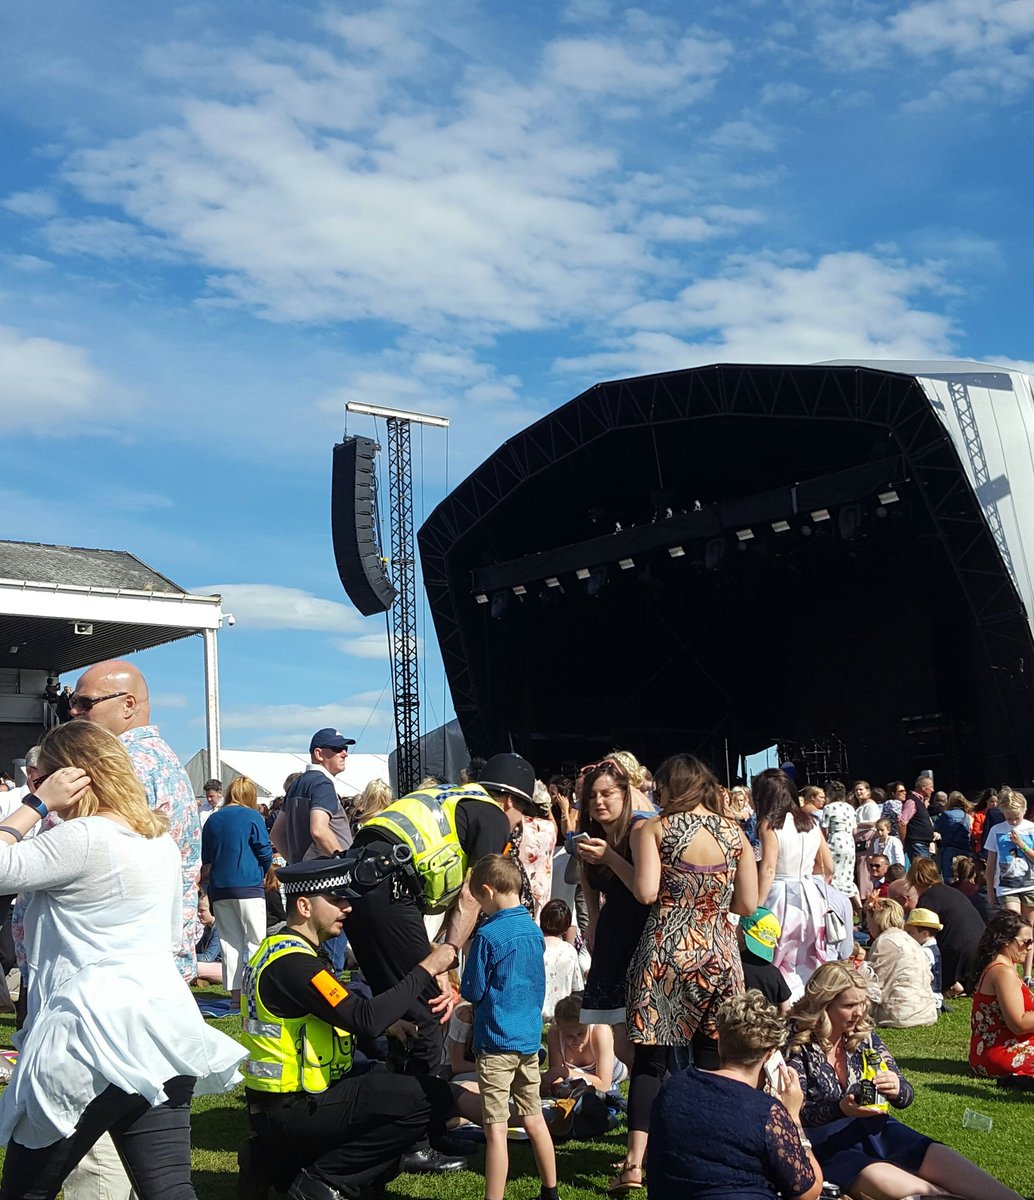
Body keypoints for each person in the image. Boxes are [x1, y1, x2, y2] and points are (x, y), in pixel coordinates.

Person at [0, 721, 244, 1200]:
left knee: (26, 1191)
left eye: (41, 777)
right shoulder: (158, 842)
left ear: (67, 777)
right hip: (161, 1028)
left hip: (86, 1037)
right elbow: (174, 934)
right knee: (171, 1189)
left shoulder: (83, 836)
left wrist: (33, 806)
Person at [341, 753, 534, 1172]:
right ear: (509, 801)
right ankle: (413, 1140)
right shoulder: (493, 817)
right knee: (429, 1017)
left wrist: (441, 964)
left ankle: (406, 1122)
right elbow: (472, 895)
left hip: (366, 884)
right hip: (388, 891)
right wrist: (445, 960)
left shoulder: (455, 800)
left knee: (400, 1013)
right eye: (523, 813)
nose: (518, 826)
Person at [237, 857, 463, 1200]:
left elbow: (333, 1017)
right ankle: (325, 1181)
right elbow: (364, 1017)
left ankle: (280, 1164)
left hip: (280, 1106)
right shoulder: (296, 964)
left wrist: (390, 1026)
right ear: (304, 906)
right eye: (337, 900)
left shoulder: (283, 951)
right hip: (295, 1108)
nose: (347, 907)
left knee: (387, 1083)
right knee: (426, 1097)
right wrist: (427, 968)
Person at [65, 659, 205, 1200]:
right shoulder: (159, 760)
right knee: (153, 1155)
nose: (72, 713)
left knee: (91, 1149)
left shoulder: (120, 763)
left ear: (128, 705)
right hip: (148, 976)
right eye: (71, 703)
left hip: (106, 980)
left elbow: (69, 855)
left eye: (84, 704)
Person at [621, 753, 758, 1194]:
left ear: (670, 785)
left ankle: (635, 1165)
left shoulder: (654, 829)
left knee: (651, 1057)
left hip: (667, 948)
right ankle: (707, 1151)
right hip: (718, 951)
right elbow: (748, 906)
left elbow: (645, 892)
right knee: (713, 1056)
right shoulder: (736, 833)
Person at [786, 961, 1022, 1200]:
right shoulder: (798, 1044)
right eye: (849, 1005)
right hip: (830, 1147)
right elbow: (793, 1113)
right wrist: (840, 1108)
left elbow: (906, 1094)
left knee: (994, 1192)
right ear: (824, 1005)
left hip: (879, 1131)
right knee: (934, 1197)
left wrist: (897, 1088)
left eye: (862, 1003)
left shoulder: (863, 1034)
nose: (859, 1012)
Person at [648, 991, 822, 1200]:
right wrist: (794, 1118)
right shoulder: (767, 1112)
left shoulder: (674, 1087)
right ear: (769, 1054)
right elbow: (807, 1192)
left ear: (720, 1040)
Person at [460, 855, 557, 1200]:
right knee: (533, 1117)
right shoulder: (534, 931)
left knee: (496, 1128)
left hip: (496, 1040)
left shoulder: (488, 935)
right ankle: (550, 1190)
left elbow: (472, 988)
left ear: (487, 891)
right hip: (528, 1039)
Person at [574, 758, 652, 1070]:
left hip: (641, 932)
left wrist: (609, 857)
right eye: (592, 796)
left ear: (625, 794)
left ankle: (653, 1097)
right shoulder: (591, 833)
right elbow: (587, 877)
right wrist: (593, 918)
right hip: (612, 931)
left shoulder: (639, 830)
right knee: (621, 1038)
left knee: (639, 1036)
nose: (598, 801)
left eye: (607, 794)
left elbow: (644, 890)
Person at [271, 728, 356, 975]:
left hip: (305, 881)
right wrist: (342, 864)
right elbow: (319, 829)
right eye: (337, 748)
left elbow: (275, 833)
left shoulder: (298, 783)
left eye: (345, 748)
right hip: (328, 882)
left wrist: (298, 863)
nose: (344, 753)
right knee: (331, 952)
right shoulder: (322, 783)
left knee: (310, 948)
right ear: (319, 754)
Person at [756, 768, 833, 1000]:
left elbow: (769, 868)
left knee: (778, 952)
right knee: (807, 953)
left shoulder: (769, 824)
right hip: (809, 893)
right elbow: (828, 866)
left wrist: (756, 908)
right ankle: (808, 999)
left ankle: (784, 1000)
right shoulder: (810, 821)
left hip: (780, 893)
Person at [200, 775, 273, 1004]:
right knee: (255, 941)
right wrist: (264, 872)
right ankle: (254, 994)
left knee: (229, 942)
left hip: (220, 887)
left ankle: (234, 998)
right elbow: (264, 851)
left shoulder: (213, 819)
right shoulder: (253, 816)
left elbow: (207, 858)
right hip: (248, 886)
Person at [969, 909, 1034, 1082]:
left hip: (986, 1052)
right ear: (1006, 942)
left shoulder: (996, 966)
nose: (1030, 947)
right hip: (1002, 1053)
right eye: (1026, 942)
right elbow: (1018, 1024)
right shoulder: (1003, 972)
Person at [905, 856, 984, 995]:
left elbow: (920, 935)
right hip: (979, 951)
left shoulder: (928, 899)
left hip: (957, 956)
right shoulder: (951, 892)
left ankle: (952, 984)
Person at [984, 789, 1034, 980]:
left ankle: (1027, 974)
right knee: (1012, 927)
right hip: (1007, 886)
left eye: (1017, 817)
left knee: (1028, 928)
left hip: (1030, 884)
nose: (1013, 821)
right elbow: (990, 863)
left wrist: (1022, 844)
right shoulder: (996, 830)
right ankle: (1010, 970)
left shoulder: (1030, 828)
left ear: (1024, 811)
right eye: (1009, 817)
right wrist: (990, 891)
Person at [865, 898, 937, 1028]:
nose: (867, 924)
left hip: (902, 1015)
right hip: (926, 1012)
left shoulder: (885, 941)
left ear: (875, 919)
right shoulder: (910, 940)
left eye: (868, 919)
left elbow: (875, 985)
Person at [543, 992, 626, 1096]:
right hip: (578, 1077)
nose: (576, 1040)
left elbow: (604, 1085)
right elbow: (556, 1077)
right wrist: (559, 1090)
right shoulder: (554, 1033)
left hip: (613, 1072)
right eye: (569, 1036)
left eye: (581, 1033)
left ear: (588, 1023)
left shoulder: (600, 1030)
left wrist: (564, 1072)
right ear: (560, 1028)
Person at [738, 907, 792, 1013]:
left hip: (735, 1027)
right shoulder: (774, 973)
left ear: (742, 933)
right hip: (767, 1028)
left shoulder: (735, 967)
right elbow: (785, 1011)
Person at [540, 899, 583, 1021]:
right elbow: (578, 987)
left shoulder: (535, 947)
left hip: (535, 1011)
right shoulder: (570, 951)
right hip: (560, 1014)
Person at [817, 782, 857, 902]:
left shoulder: (829, 808)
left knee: (833, 873)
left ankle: (835, 901)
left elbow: (824, 828)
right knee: (847, 875)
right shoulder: (850, 808)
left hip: (835, 841)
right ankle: (853, 905)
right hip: (849, 842)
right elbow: (854, 830)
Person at [904, 907, 944, 1012]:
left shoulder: (926, 952)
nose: (909, 936)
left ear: (925, 934)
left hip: (929, 998)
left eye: (912, 933)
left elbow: (918, 973)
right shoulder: (932, 948)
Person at [934, 791, 971, 882]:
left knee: (948, 879)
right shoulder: (966, 816)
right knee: (964, 876)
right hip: (964, 849)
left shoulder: (946, 814)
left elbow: (936, 827)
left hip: (949, 848)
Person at [900, 775, 936, 861]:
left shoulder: (920, 802)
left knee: (924, 871)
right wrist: (902, 842)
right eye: (931, 787)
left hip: (922, 845)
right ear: (923, 788)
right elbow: (902, 823)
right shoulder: (912, 801)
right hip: (917, 844)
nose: (932, 790)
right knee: (922, 871)